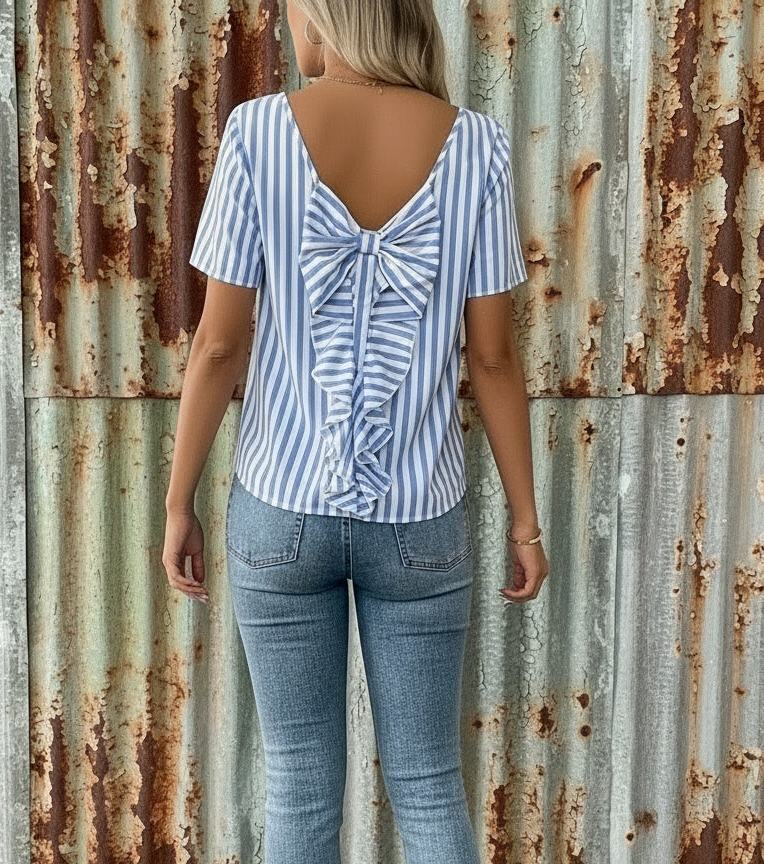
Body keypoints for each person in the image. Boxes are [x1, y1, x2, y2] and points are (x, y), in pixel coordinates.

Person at [162, 0, 549, 861]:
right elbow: (492, 359)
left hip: (281, 509)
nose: (286, 26)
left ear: (328, 18)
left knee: (298, 786)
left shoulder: (257, 133)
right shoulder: (478, 148)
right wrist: (525, 523)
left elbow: (219, 344)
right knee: (428, 783)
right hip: (420, 521)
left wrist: (178, 500)